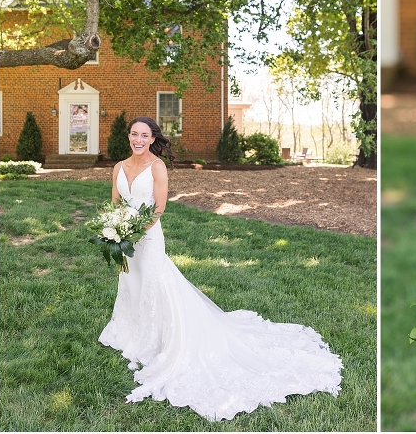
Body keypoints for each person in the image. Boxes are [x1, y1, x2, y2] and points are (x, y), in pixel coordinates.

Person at [99, 116, 342, 421]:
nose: (137, 139)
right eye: (133, 134)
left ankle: (155, 338)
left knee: (154, 282)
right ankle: (131, 331)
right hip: (125, 239)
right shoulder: (118, 167)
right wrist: (116, 230)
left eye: (143, 135)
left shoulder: (157, 167)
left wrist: (135, 230)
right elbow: (115, 204)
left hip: (147, 237)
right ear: (129, 137)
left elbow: (159, 208)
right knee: (130, 282)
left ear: (152, 139)